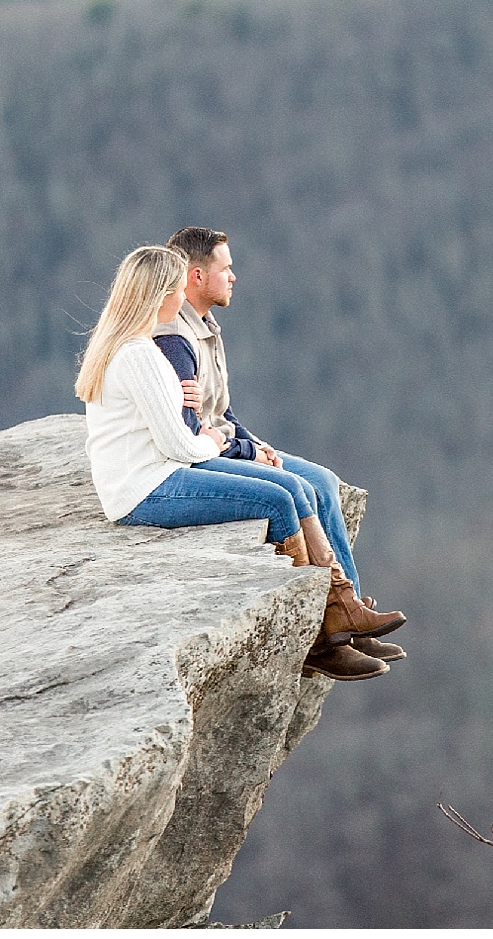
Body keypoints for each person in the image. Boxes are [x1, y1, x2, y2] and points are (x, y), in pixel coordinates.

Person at [76, 244, 395, 681]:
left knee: (297, 488)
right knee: (277, 501)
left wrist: (186, 410)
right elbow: (181, 445)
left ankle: (341, 611)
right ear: (162, 293)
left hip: (159, 472)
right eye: (175, 287)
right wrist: (207, 438)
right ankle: (317, 638)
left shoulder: (139, 348)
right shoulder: (136, 354)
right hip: (145, 488)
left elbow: (178, 423)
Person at [155, 226, 407, 665]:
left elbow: (222, 412)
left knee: (323, 482)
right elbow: (190, 430)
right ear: (195, 276)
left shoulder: (206, 327)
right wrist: (251, 455)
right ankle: (324, 630)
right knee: (295, 489)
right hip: (203, 459)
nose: (234, 277)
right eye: (225, 269)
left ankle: (350, 615)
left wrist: (257, 444)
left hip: (227, 444)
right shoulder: (176, 340)